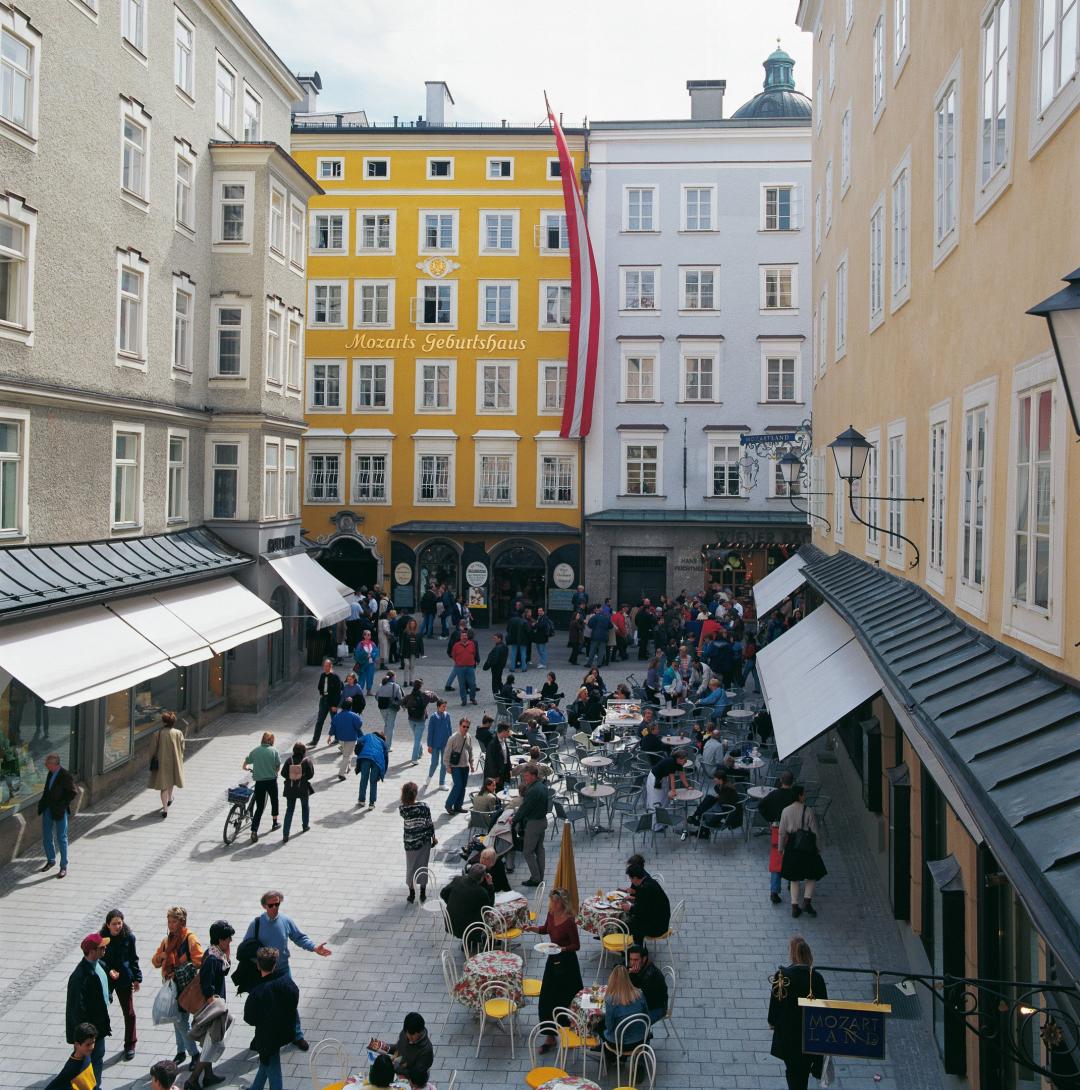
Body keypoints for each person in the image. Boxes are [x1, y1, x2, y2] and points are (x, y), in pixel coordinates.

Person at [241, 891, 330, 1052]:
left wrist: (314, 948)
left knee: (289, 1002)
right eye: (271, 905)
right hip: (264, 972)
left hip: (282, 970)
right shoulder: (256, 924)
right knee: (263, 1004)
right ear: (264, 906)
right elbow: (246, 946)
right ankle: (260, 1036)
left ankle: (297, 1035)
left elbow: (299, 937)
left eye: (277, 904)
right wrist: (259, 962)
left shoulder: (285, 921)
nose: (275, 908)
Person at [523, 888, 582, 1053]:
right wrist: (532, 928)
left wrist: (561, 949)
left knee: (567, 998)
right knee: (547, 999)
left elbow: (576, 945)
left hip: (567, 964)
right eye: (551, 901)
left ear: (562, 903)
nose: (553, 904)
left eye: (555, 901)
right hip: (553, 961)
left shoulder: (569, 921)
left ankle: (569, 1033)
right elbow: (545, 929)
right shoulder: (550, 914)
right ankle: (550, 1036)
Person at [768, 935, 828, 1089]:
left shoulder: (782, 976)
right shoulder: (816, 978)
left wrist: (773, 1022)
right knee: (802, 1071)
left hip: (789, 1035)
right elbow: (824, 1009)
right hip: (810, 1035)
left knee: (793, 1072)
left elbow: (775, 1005)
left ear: (793, 953)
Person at [184, 920, 234, 1089]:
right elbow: (207, 986)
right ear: (220, 940)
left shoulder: (217, 953)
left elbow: (225, 971)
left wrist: (228, 953)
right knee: (210, 1045)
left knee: (209, 1043)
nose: (230, 941)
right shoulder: (212, 958)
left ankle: (209, 1075)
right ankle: (192, 1080)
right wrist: (215, 1007)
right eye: (228, 939)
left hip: (215, 1006)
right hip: (211, 1009)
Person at [150, 907, 202, 1067]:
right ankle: (181, 1052)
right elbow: (155, 962)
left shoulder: (190, 938)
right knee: (175, 1019)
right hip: (171, 986)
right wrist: (161, 957)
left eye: (174, 922)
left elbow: (199, 960)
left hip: (186, 987)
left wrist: (183, 963)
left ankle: (194, 1054)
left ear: (182, 922)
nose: (171, 925)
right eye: (169, 921)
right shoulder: (167, 941)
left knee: (181, 1022)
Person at [243, 947, 299, 1090]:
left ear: (258, 965)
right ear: (275, 964)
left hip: (267, 1036)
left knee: (272, 1067)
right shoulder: (286, 981)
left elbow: (249, 1018)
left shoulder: (258, 992)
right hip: (284, 1030)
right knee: (266, 1061)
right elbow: (294, 1000)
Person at [66, 934, 111, 1085]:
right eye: (101, 947)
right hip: (89, 1032)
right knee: (88, 1064)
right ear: (92, 951)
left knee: (98, 1059)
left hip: (99, 1026)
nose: (105, 948)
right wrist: (86, 1036)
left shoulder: (100, 965)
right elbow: (76, 1010)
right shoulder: (79, 978)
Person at [778, 785, 827, 918]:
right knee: (812, 875)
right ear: (799, 795)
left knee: (794, 877)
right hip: (807, 847)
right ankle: (806, 901)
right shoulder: (808, 811)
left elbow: (782, 833)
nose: (804, 796)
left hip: (792, 846)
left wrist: (780, 849)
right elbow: (815, 832)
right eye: (803, 794)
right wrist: (818, 848)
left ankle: (794, 906)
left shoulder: (785, 811)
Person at [101, 909, 141, 1062]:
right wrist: (109, 970)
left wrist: (137, 978)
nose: (117, 926)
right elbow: (99, 959)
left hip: (124, 978)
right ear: (107, 925)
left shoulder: (129, 937)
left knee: (129, 1013)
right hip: (108, 979)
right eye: (114, 924)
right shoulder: (103, 939)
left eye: (119, 923)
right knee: (101, 1008)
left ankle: (130, 1045)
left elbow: (133, 958)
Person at [38, 751, 78, 878]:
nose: (45, 765)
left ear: (54, 764)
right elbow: (47, 790)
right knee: (46, 835)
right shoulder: (50, 773)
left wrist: (62, 806)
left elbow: (72, 792)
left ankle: (63, 866)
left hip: (59, 810)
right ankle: (51, 860)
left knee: (62, 837)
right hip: (48, 809)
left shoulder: (65, 775)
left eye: (47, 763)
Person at [400, 782, 436, 904]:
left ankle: (411, 894)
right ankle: (423, 893)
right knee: (423, 866)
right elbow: (430, 824)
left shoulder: (403, 809)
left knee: (411, 867)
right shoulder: (424, 807)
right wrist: (434, 838)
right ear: (415, 794)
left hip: (409, 843)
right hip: (424, 842)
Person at [601, 964, 650, 1055]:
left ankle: (611, 1059)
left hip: (619, 1044)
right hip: (641, 1041)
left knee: (600, 1028)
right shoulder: (639, 994)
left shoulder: (611, 1000)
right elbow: (647, 1016)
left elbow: (609, 1026)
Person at [439, 863, 494, 943]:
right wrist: (490, 885)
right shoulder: (481, 892)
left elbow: (443, 893)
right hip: (469, 930)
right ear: (482, 878)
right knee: (488, 919)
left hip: (450, 923)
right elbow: (488, 910)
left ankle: (469, 943)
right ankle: (482, 941)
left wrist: (452, 902)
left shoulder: (457, 880)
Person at [512, 764, 548, 887]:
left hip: (534, 824)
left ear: (533, 776)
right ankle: (540, 876)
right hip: (542, 821)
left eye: (526, 776)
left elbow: (524, 809)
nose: (524, 778)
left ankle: (535, 878)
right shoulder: (542, 786)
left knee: (527, 852)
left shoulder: (532, 790)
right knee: (539, 849)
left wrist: (514, 820)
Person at [243, 732, 281, 842]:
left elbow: (247, 761)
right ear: (270, 740)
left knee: (259, 807)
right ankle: (274, 823)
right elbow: (277, 766)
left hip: (259, 782)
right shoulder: (274, 751)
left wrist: (245, 766)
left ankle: (254, 830)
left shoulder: (256, 750)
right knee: (274, 800)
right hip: (271, 781)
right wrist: (274, 771)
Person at [149, 711, 185, 818]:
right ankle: (170, 798)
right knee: (172, 780)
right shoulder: (178, 733)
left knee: (163, 785)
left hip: (162, 763)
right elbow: (182, 748)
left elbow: (152, 750)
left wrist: (151, 760)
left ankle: (165, 809)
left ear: (164, 722)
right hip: (174, 762)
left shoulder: (157, 734)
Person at [625, 862, 670, 946]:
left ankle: (638, 950)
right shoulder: (649, 881)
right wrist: (634, 899)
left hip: (658, 927)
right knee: (631, 921)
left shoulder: (644, 888)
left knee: (628, 925)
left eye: (630, 878)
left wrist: (630, 908)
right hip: (661, 920)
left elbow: (642, 911)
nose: (630, 880)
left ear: (635, 878)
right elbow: (647, 903)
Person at [46, 1021, 98, 1090]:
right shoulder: (70, 1070)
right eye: (88, 1045)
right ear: (77, 1045)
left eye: (93, 1042)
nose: (92, 1047)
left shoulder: (87, 1055)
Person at [279, 742, 314, 843]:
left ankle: (285, 834)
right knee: (305, 806)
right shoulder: (306, 761)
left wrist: (291, 777)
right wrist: (302, 777)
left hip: (290, 788)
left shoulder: (289, 760)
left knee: (289, 810)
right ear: (304, 751)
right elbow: (311, 775)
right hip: (302, 788)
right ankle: (305, 826)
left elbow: (283, 773)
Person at [626, 944, 668, 1023]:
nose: (632, 963)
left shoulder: (651, 975)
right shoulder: (637, 967)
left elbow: (638, 995)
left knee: (627, 1022)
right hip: (643, 1003)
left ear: (644, 959)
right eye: (631, 959)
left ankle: (642, 1034)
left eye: (635, 960)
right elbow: (619, 967)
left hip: (656, 1009)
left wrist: (632, 975)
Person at [644, 749, 691, 817]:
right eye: (685, 760)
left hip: (663, 778)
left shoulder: (679, 763)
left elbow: (682, 775)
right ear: (679, 758)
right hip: (655, 778)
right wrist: (673, 791)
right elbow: (672, 779)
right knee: (656, 801)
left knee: (664, 799)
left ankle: (662, 822)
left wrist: (688, 786)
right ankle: (654, 825)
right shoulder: (671, 762)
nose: (686, 762)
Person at [443, 717, 474, 815]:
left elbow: (470, 750)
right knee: (458, 785)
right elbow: (447, 753)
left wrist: (472, 763)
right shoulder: (453, 738)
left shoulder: (469, 737)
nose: (465, 728)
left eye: (467, 727)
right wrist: (447, 766)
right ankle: (448, 804)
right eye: (464, 726)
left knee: (463, 786)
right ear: (460, 726)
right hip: (455, 766)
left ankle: (458, 806)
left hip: (465, 766)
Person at [390, 1011, 434, 1077]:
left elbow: (416, 1073)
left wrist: (395, 1068)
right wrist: (384, 1047)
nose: (409, 1036)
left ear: (420, 1031)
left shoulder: (426, 1051)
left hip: (414, 1079)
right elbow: (398, 1046)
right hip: (400, 1065)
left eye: (412, 1035)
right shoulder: (406, 1031)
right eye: (407, 1033)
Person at [355, 729, 389, 810]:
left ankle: (361, 800)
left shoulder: (369, 735)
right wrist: (383, 773)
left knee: (364, 779)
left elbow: (359, 740)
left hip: (365, 758)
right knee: (373, 782)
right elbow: (386, 758)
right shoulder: (383, 743)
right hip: (377, 761)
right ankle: (371, 803)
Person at [311, 658, 342, 747]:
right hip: (323, 701)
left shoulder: (335, 677)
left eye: (327, 666)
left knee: (334, 721)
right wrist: (321, 694)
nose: (325, 668)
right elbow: (319, 686)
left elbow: (338, 692)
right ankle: (314, 740)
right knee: (319, 721)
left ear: (331, 666)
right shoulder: (322, 675)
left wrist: (335, 705)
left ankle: (337, 738)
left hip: (332, 702)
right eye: (324, 666)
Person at [330, 698, 363, 781]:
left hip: (341, 739)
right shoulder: (354, 716)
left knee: (346, 753)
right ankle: (341, 773)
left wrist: (330, 736)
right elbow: (359, 725)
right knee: (346, 756)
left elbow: (333, 726)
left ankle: (347, 767)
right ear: (350, 707)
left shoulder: (337, 716)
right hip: (351, 738)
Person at [405, 680, 436, 766]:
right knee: (417, 740)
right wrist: (431, 693)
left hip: (411, 720)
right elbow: (435, 699)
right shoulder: (424, 695)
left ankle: (420, 752)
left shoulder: (409, 696)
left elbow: (402, 702)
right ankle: (414, 759)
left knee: (417, 738)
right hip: (420, 720)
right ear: (421, 686)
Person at [425, 699, 452, 788]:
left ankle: (441, 783)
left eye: (445, 706)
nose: (444, 708)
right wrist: (429, 745)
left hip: (445, 744)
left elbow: (449, 729)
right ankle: (429, 776)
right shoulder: (433, 717)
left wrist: (451, 742)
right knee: (434, 763)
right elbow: (430, 732)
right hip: (435, 744)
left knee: (444, 763)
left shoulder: (447, 715)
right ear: (438, 707)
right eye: (443, 706)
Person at [374, 671, 404, 750]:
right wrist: (403, 706)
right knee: (390, 727)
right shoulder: (395, 686)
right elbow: (400, 698)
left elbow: (376, 697)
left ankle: (383, 742)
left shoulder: (380, 685)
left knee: (386, 725)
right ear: (393, 677)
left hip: (382, 708)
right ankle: (387, 746)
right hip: (391, 708)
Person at [451, 628, 479, 706]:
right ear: (460, 637)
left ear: (467, 636)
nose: (464, 637)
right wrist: (459, 662)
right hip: (460, 668)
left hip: (470, 667)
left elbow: (474, 653)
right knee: (462, 685)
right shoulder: (456, 645)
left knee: (472, 684)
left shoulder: (472, 644)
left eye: (465, 635)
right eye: (462, 636)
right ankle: (464, 700)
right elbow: (453, 655)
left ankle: (472, 698)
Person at [484, 722, 513, 789]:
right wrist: (495, 776)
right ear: (503, 731)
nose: (509, 733)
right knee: (497, 791)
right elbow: (491, 762)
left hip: (503, 770)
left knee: (502, 790)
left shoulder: (504, 740)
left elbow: (507, 756)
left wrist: (510, 769)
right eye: (508, 731)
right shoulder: (493, 744)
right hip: (496, 773)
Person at [399, 619, 425, 685]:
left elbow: (420, 643)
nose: (412, 625)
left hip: (414, 652)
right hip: (406, 651)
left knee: (412, 666)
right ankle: (405, 681)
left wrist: (422, 653)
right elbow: (402, 642)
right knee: (407, 665)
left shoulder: (418, 633)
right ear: (409, 624)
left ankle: (411, 681)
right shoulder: (405, 632)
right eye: (411, 623)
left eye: (413, 624)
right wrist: (401, 651)